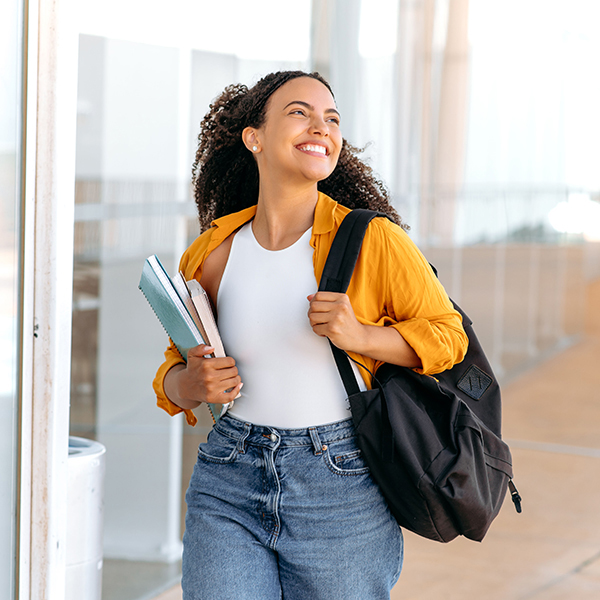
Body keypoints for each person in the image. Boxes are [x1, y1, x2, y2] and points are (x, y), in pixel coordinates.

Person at [152, 70, 468, 600]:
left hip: (339, 481)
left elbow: (448, 336)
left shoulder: (374, 240)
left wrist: (362, 335)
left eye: (332, 118)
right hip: (229, 474)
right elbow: (175, 368)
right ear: (254, 137)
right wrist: (191, 385)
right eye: (299, 112)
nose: (320, 125)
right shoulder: (210, 251)